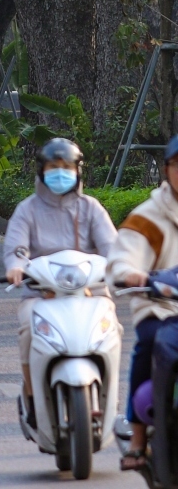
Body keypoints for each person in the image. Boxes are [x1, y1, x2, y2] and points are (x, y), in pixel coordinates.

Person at [5, 136, 116, 436]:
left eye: (66, 167)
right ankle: (32, 396)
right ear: (41, 171)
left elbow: (112, 247)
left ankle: (109, 396)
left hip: (91, 293)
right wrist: (16, 266)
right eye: (53, 167)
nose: (60, 173)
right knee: (28, 330)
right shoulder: (27, 210)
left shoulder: (91, 208)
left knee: (112, 331)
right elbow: (17, 248)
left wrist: (122, 267)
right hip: (41, 295)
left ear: (78, 170)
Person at [108, 133, 178, 472]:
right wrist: (133, 275)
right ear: (167, 169)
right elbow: (123, 258)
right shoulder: (149, 217)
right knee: (149, 343)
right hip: (162, 308)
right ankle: (137, 437)